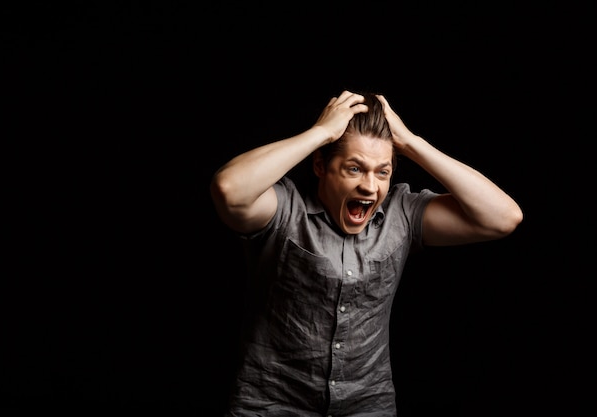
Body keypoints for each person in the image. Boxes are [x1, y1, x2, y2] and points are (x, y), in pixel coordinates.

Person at [210, 90, 523, 416]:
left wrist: (412, 144)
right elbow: (229, 189)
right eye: (355, 169)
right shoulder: (285, 209)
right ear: (321, 165)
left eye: (382, 172)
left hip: (367, 405)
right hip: (272, 403)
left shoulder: (403, 214)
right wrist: (321, 133)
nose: (370, 187)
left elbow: (503, 218)